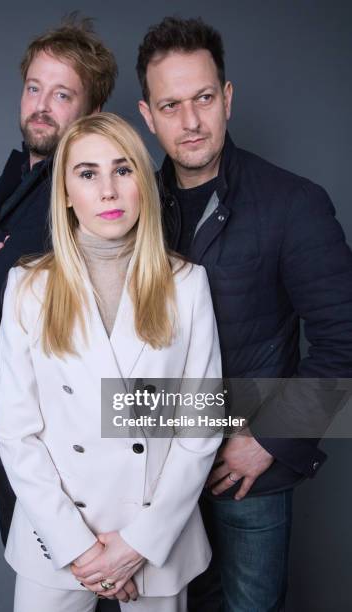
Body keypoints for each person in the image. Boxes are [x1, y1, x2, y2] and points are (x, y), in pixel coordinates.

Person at [136, 16, 352, 612]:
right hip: (152, 477)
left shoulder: (294, 203)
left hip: (244, 477)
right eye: (170, 105)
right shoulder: (131, 209)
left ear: (227, 99)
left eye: (204, 98)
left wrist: (268, 438)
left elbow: (345, 343)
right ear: (148, 116)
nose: (190, 121)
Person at [0, 112, 222, 612]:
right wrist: (81, 549)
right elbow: (15, 431)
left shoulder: (187, 284)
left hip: (157, 539)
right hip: (55, 542)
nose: (108, 191)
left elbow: (199, 429)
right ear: (67, 193)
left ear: (143, 181)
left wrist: (136, 544)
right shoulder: (29, 288)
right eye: (87, 173)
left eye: (123, 170)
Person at [0, 16, 117, 548]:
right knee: (36, 568)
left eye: (62, 94)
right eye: (34, 88)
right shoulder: (21, 171)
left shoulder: (74, 187)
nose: (41, 104)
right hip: (2, 413)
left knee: (72, 568)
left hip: (44, 427)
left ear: (92, 113)